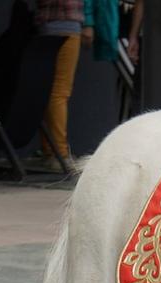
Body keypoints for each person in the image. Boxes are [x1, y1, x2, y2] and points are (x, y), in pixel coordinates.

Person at [36, 0, 92, 171]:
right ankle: (59, 153)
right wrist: (88, 23)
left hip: (46, 24)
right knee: (60, 92)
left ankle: (50, 150)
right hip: (67, 25)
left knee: (48, 91)